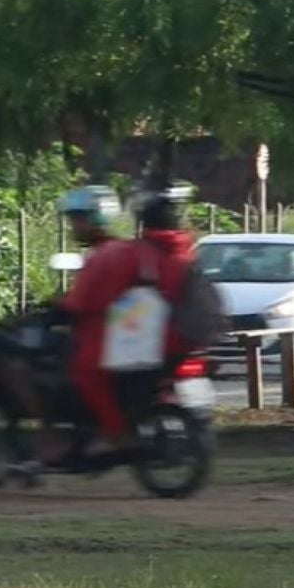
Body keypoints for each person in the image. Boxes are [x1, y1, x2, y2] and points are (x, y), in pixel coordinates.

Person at [44, 183, 196, 465]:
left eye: (78, 219)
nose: (73, 226)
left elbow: (83, 302)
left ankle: (113, 434)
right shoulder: (167, 250)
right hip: (159, 332)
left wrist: (58, 313)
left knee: (83, 372)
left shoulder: (108, 256)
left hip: (115, 335)